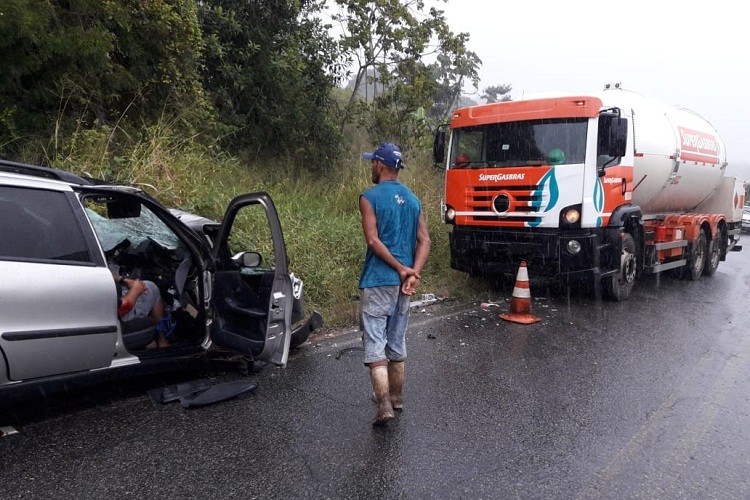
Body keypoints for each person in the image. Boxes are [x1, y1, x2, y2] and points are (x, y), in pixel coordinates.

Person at [358, 142, 431, 425]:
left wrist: (401, 269)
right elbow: (425, 240)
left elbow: (373, 240)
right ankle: (397, 398)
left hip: (378, 279)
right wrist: (413, 272)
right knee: (397, 338)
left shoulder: (369, 196)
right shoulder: (413, 199)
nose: (371, 168)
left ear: (379, 165)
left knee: (375, 339)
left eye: (372, 163)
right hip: (404, 284)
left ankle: (384, 404)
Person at [113, 273, 171, 349]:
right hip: (117, 323)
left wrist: (123, 279)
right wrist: (136, 288)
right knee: (152, 287)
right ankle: (161, 339)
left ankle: (155, 339)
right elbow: (120, 309)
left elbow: (102, 275)